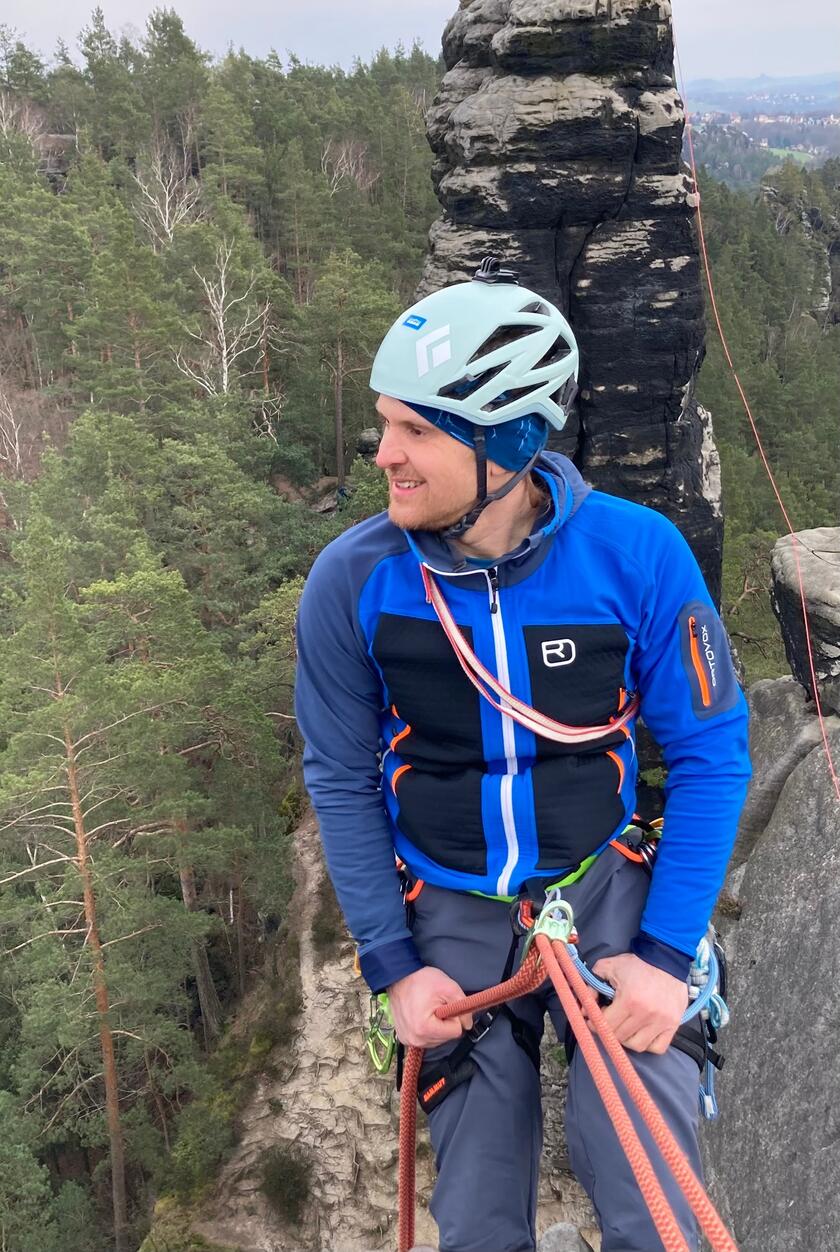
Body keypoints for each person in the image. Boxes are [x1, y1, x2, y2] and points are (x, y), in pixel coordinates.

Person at [295, 258, 750, 1252]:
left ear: (506, 442)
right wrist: (391, 966)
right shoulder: (355, 582)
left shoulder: (636, 555)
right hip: (451, 904)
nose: (384, 454)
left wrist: (666, 958)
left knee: (653, 1203)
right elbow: (340, 774)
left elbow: (712, 753)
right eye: (385, 424)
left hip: (603, 885)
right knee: (478, 1220)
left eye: (417, 431)